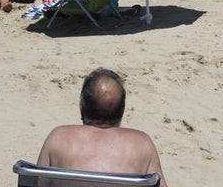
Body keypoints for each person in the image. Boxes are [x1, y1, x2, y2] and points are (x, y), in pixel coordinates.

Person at [36, 68, 166, 183]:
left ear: (82, 109)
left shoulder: (58, 138)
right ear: (121, 112)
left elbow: (36, 184)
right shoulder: (142, 144)